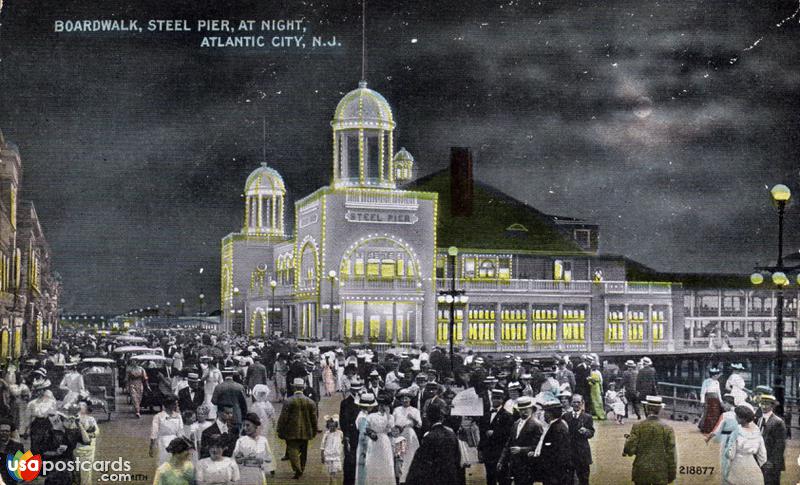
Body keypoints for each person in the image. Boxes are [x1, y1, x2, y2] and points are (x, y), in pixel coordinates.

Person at [623, 395, 676, 485]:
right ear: (659, 409)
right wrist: (672, 472)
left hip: (641, 469)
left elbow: (630, 448)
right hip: (660, 471)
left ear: (646, 408)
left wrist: (627, 447)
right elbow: (671, 453)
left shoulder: (638, 426)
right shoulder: (668, 429)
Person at [404, 402, 462, 485]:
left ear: (428, 418)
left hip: (435, 478)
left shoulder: (429, 437)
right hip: (451, 477)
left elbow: (420, 464)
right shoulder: (451, 434)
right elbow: (457, 458)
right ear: (441, 418)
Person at [277, 377, 319, 479]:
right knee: (304, 451)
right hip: (306, 430)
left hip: (291, 430)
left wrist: (280, 429)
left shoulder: (288, 401)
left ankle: (297, 468)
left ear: (294, 388)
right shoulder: (310, 402)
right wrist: (314, 429)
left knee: (292, 450)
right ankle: (302, 467)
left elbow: (283, 418)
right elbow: (314, 418)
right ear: (303, 388)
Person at [497, 396, 543, 485]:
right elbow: (508, 443)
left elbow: (538, 446)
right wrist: (501, 460)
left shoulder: (536, 425)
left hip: (528, 465)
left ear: (531, 409)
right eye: (521, 409)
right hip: (515, 465)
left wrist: (521, 450)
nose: (523, 412)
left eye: (526, 409)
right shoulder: (516, 423)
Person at [354, 392, 395, 485]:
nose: (382, 407)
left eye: (384, 405)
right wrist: (371, 434)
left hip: (384, 441)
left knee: (385, 463)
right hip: (372, 442)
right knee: (372, 463)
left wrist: (388, 414)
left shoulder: (390, 417)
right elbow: (365, 430)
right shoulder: (369, 416)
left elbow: (390, 428)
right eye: (381, 404)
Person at [720, 403, 766, 485]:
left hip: (738, 464)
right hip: (752, 464)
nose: (735, 417)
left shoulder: (736, 431)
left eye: (737, 416)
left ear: (742, 419)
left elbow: (730, 454)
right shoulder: (756, 430)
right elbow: (762, 454)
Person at [530, 401, 571, 485]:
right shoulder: (553, 425)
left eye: (545, 412)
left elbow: (558, 453)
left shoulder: (558, 429)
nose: (543, 415)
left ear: (551, 414)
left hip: (554, 473)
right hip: (551, 472)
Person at [479, 389, 513, 485]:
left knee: (503, 477)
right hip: (487, 451)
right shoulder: (486, 415)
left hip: (500, 451)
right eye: (493, 398)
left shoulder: (507, 415)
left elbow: (508, 433)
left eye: (498, 398)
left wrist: (495, 433)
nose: (495, 401)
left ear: (502, 400)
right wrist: (480, 449)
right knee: (490, 477)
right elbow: (482, 433)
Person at [233, 412, 273, 485]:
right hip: (245, 474)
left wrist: (262, 460)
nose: (245, 428)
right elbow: (235, 459)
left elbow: (269, 458)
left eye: (248, 425)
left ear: (255, 425)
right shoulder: (241, 441)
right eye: (244, 425)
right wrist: (245, 458)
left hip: (259, 473)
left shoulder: (263, 440)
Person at [392, 389, 422, 484]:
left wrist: (413, 418)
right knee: (400, 457)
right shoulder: (397, 410)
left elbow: (420, 425)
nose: (405, 400)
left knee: (410, 456)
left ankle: (411, 478)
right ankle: (400, 479)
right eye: (403, 398)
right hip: (400, 435)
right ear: (400, 400)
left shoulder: (415, 410)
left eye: (407, 398)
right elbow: (393, 423)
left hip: (410, 435)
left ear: (410, 399)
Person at [563, 394, 594, 485]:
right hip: (570, 452)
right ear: (571, 403)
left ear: (582, 403)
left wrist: (586, 431)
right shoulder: (566, 416)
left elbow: (591, 433)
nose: (576, 404)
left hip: (582, 452)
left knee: (584, 477)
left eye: (578, 402)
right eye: (574, 402)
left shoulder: (587, 417)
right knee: (569, 477)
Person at [757, 395, 786, 485]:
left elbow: (780, 445)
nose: (764, 406)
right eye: (762, 404)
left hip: (771, 462)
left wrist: (771, 461)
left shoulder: (778, 422)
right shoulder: (759, 419)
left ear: (772, 406)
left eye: (767, 404)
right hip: (761, 458)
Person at [340, 377, 363, 485]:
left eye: (358, 389)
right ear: (351, 390)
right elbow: (343, 421)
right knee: (350, 460)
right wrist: (346, 436)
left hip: (361, 434)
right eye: (354, 390)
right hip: (351, 434)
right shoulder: (345, 403)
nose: (356, 391)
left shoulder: (363, 401)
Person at [150, 394, 185, 465]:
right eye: (175, 404)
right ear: (169, 404)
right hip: (162, 442)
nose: (177, 405)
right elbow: (154, 432)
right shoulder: (158, 416)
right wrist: (152, 446)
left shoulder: (178, 416)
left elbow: (180, 431)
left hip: (176, 442)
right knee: (163, 462)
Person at [73, 400, 99, 485]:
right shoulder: (73, 418)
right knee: (76, 471)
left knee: (86, 471)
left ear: (86, 408)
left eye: (83, 405)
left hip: (88, 448)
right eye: (79, 405)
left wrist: (92, 434)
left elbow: (97, 431)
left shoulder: (91, 419)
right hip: (76, 448)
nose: (80, 407)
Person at [321, 414, 344, 485]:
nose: (332, 428)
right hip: (328, 455)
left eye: (334, 426)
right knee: (330, 473)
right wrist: (322, 455)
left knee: (334, 473)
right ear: (328, 426)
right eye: (330, 426)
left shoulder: (340, 433)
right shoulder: (326, 434)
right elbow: (322, 445)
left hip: (336, 455)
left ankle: (333, 483)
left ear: (336, 426)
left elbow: (342, 442)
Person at [698, 367, 722, 434]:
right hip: (709, 399)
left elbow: (718, 392)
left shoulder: (717, 382)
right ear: (714, 375)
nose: (718, 376)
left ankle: (713, 428)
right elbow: (703, 392)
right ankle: (706, 428)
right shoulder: (706, 381)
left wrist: (721, 401)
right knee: (708, 413)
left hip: (716, 400)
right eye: (717, 375)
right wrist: (702, 401)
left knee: (715, 413)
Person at [0, 420, 24, 485]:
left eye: (6, 431)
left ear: (10, 433)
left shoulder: (18, 446)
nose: (4, 433)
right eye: (2, 431)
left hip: (10, 480)